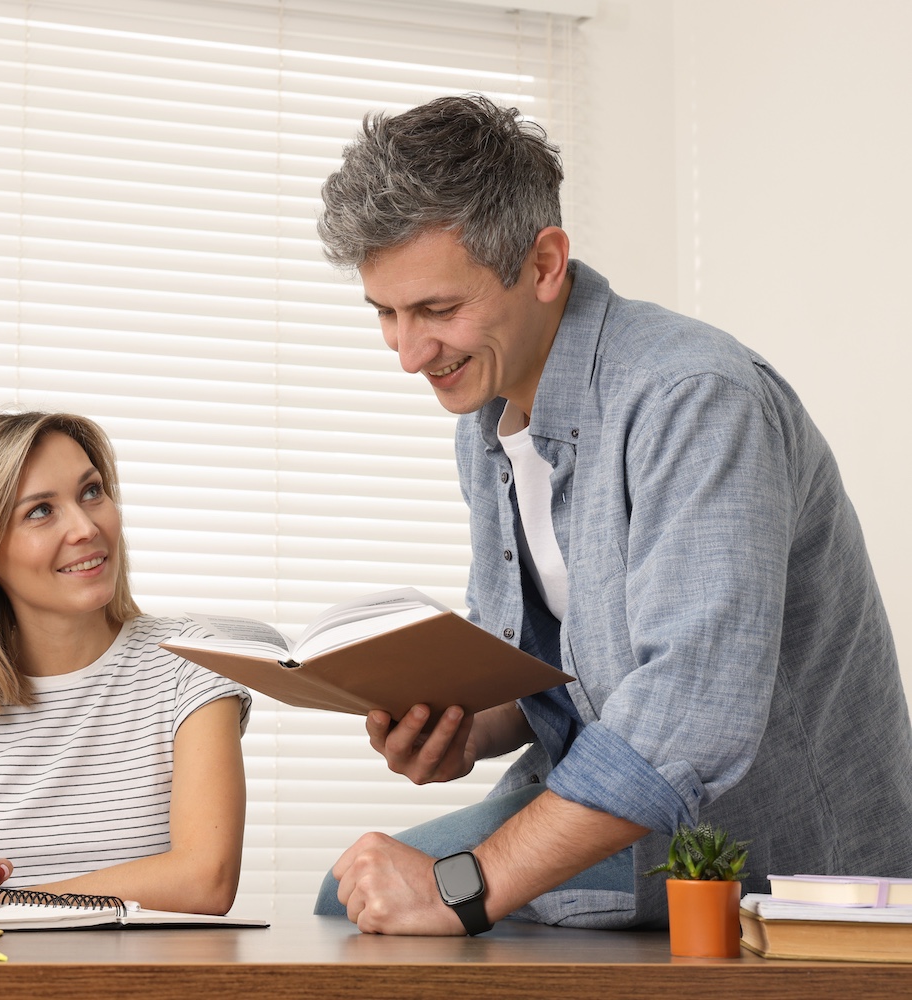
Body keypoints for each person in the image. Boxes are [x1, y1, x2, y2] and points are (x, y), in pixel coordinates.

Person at [311, 95, 912, 934]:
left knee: (407, 905)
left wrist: (466, 886)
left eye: (437, 311)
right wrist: (461, 729)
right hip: (617, 825)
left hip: (766, 859)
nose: (409, 355)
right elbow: (544, 670)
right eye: (386, 313)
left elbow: (687, 716)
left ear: (546, 263)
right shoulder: (486, 417)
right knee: (346, 897)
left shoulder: (694, 398)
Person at [0, 411, 249, 914]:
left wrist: (2, 903)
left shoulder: (192, 661)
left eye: (91, 491)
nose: (86, 526)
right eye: (40, 511)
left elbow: (207, 880)